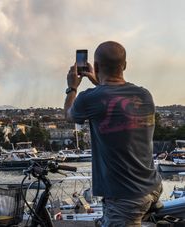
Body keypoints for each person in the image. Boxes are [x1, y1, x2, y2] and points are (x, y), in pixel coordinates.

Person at [64, 41, 162, 226]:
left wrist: (72, 88)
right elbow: (113, 98)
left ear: (98, 66)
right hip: (152, 187)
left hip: (125, 199)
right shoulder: (145, 95)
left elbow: (69, 115)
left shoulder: (89, 98)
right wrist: (99, 81)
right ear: (124, 65)